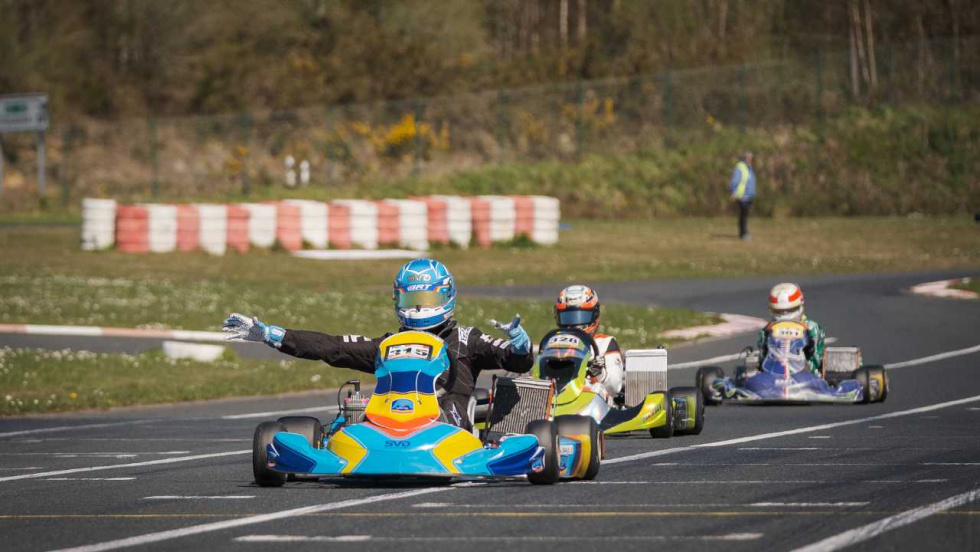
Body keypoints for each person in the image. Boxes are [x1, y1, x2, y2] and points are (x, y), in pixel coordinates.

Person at [222, 258, 533, 430]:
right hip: (391, 418)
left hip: (448, 422)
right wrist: (272, 335)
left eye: (428, 299)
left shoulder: (466, 339)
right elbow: (332, 347)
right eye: (413, 299)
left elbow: (515, 362)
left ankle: (427, 431)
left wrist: (519, 345)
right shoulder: (387, 345)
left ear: (447, 297)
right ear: (399, 299)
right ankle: (373, 435)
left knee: (451, 407)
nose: (420, 308)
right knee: (337, 417)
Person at [554, 285, 624, 405]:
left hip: (594, 405)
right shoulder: (554, 343)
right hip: (559, 400)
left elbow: (615, 387)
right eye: (568, 318)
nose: (574, 325)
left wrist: (599, 373)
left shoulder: (606, 343)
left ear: (595, 315)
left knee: (595, 389)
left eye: (581, 316)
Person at [757, 283, 825, 375]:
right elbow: (762, 361)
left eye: (789, 310)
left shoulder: (812, 328)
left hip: (805, 377)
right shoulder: (766, 331)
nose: (784, 314)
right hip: (772, 376)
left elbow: (816, 360)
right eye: (779, 311)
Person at [729, 152, 756, 240]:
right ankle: (743, 233)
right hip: (742, 196)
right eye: (748, 158)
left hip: (749, 195)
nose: (750, 160)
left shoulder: (749, 168)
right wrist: (733, 192)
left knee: (745, 215)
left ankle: (744, 232)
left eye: (751, 158)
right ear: (744, 158)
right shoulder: (740, 168)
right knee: (743, 216)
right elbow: (735, 181)